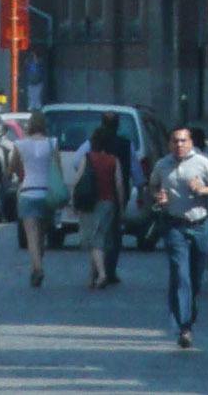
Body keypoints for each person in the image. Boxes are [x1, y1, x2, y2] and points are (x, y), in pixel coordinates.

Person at [149, 122, 208, 350]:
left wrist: (203, 190)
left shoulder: (202, 163)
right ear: (169, 143)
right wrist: (158, 196)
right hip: (175, 226)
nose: (179, 145)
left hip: (200, 225)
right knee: (180, 274)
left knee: (196, 277)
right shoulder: (162, 165)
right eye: (175, 141)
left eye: (184, 140)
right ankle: (184, 327)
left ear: (191, 142)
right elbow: (153, 186)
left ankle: (188, 315)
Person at [8, 109, 58, 290]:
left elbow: (12, 167)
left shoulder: (20, 145)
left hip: (28, 192)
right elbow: (57, 169)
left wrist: (20, 171)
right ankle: (37, 265)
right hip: (47, 194)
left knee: (31, 235)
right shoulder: (52, 144)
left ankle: (37, 267)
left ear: (30, 125)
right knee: (42, 235)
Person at [82, 121, 125, 291]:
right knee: (101, 237)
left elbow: (79, 178)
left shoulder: (88, 158)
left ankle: (101, 274)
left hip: (90, 202)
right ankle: (92, 276)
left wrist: (73, 201)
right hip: (108, 202)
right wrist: (120, 206)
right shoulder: (113, 160)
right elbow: (119, 185)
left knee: (94, 239)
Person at [97, 113, 133, 287]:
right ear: (118, 126)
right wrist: (140, 187)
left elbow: (76, 161)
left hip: (97, 193)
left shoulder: (93, 143)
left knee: (98, 231)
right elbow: (135, 168)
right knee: (115, 233)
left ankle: (98, 268)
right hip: (118, 193)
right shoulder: (126, 144)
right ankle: (109, 270)